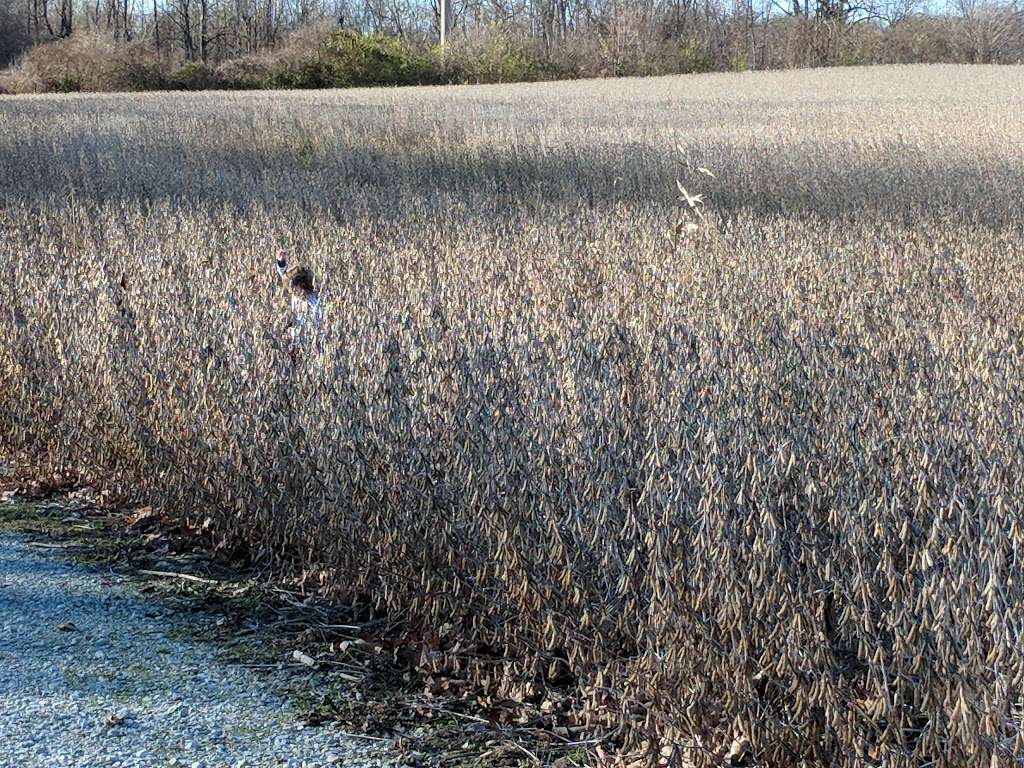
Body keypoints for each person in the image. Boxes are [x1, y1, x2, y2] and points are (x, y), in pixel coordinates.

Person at [275, 249, 322, 366]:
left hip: (308, 347)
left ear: (302, 286)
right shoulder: (297, 297)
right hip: (296, 344)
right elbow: (284, 275)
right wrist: (281, 262)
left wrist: (291, 332)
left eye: (294, 288)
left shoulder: (314, 303)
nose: (291, 290)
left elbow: (314, 328)